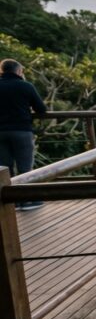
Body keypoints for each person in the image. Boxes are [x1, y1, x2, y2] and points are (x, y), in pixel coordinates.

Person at [0, 59, 47, 210]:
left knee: (5, 168)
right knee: (25, 167)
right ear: (18, 71)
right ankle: (26, 200)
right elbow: (41, 109)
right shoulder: (25, 86)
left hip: (0, 132)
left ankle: (10, 202)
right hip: (21, 130)